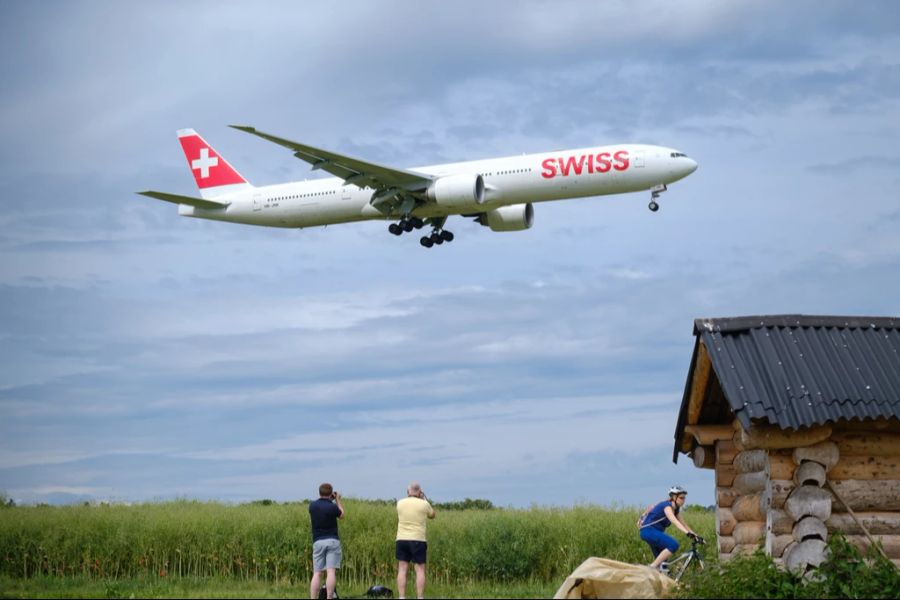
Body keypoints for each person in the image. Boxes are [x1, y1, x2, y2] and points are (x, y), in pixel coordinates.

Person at [638, 485, 699, 571]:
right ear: (674, 497)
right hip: (649, 531)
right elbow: (674, 521)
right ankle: (651, 567)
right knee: (673, 545)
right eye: (681, 498)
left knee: (663, 565)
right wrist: (687, 533)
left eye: (684, 498)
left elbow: (684, 524)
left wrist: (696, 535)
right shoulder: (666, 506)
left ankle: (658, 576)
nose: (684, 501)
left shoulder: (676, 509)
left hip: (653, 533)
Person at [395, 481, 436, 599]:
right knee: (420, 570)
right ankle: (420, 597)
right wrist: (424, 498)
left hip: (401, 539)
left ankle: (402, 597)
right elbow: (433, 515)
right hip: (418, 540)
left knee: (402, 569)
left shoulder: (400, 503)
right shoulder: (424, 504)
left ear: (408, 492)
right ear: (419, 492)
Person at [308, 483, 345, 600]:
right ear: (331, 493)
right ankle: (329, 597)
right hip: (332, 540)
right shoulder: (332, 506)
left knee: (317, 573)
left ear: (319, 492)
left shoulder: (312, 506)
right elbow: (342, 515)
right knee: (331, 572)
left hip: (318, 541)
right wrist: (337, 500)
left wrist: (329, 499)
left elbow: (322, 507)